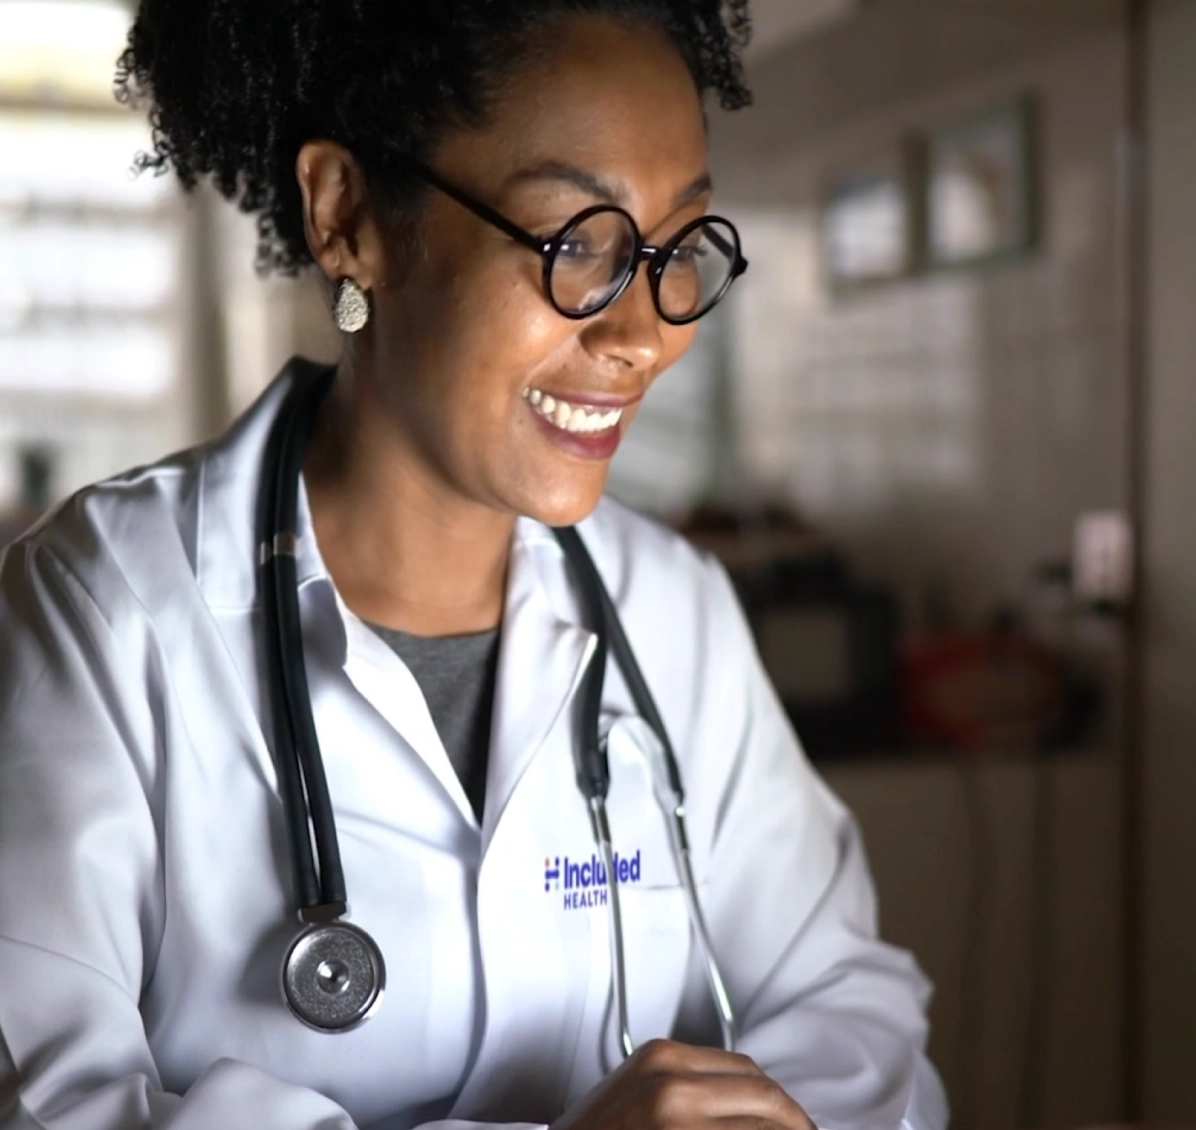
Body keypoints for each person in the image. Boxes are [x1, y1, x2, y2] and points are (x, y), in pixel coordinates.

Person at [0, 2, 946, 1129]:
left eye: (675, 245)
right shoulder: (100, 609)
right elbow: (55, 1104)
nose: (643, 331)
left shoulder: (669, 609)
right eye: (573, 242)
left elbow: (848, 999)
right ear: (348, 215)